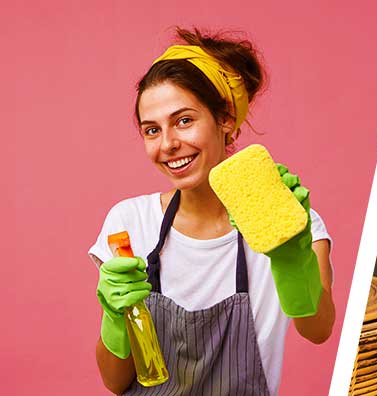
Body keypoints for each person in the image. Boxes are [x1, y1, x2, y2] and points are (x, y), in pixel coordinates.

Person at [89, 28, 335, 395]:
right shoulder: (129, 222)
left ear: (224, 119)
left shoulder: (287, 222)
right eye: (152, 130)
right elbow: (114, 381)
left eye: (184, 120)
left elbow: (318, 330)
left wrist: (291, 259)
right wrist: (114, 316)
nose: (169, 144)